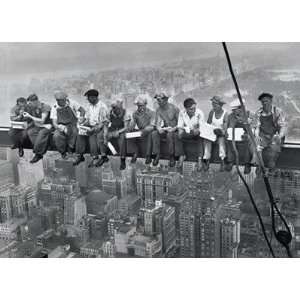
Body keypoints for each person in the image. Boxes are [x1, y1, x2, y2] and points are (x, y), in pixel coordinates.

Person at [73, 89, 109, 167]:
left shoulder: (102, 107)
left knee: (93, 136)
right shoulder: (89, 106)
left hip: (101, 127)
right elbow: (88, 119)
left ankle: (99, 157)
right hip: (91, 126)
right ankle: (80, 155)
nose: (88, 100)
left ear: (94, 97)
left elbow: (104, 122)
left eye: (88, 98)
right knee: (80, 134)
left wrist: (94, 129)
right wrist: (82, 124)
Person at [253, 92, 287, 171]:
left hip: (275, 135)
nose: (265, 103)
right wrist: (257, 135)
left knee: (272, 151)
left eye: (266, 101)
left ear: (271, 101)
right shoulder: (258, 112)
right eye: (263, 102)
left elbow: (283, 126)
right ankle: (259, 167)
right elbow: (257, 127)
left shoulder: (277, 111)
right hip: (263, 135)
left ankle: (271, 168)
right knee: (257, 148)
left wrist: (279, 136)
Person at [98, 97, 131, 170]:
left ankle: (122, 159)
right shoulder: (110, 112)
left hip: (122, 129)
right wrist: (105, 135)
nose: (114, 109)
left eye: (116, 108)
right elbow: (106, 125)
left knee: (122, 139)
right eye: (113, 108)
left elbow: (126, 127)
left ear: (120, 107)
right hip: (113, 128)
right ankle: (103, 156)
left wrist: (118, 132)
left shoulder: (126, 113)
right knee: (100, 135)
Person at [50, 91, 85, 159]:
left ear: (66, 99)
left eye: (64, 100)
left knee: (74, 132)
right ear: (57, 101)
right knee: (56, 136)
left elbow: (82, 110)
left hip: (72, 123)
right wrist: (59, 127)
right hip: (61, 125)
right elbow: (54, 122)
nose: (63, 102)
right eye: (60, 101)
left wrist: (81, 118)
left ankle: (70, 148)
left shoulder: (72, 103)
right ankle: (62, 152)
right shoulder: (54, 107)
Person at [224, 98, 253, 174]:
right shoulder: (230, 116)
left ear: (241, 108)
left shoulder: (249, 114)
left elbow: (253, 129)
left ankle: (247, 163)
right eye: (233, 110)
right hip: (234, 137)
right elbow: (227, 127)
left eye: (235, 110)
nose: (233, 112)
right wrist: (226, 132)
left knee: (248, 142)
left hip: (245, 136)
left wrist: (247, 134)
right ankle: (230, 161)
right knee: (229, 141)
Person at [176, 97, 204, 170]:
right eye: (191, 109)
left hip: (197, 133)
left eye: (194, 108)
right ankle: (182, 155)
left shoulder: (199, 113)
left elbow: (202, 127)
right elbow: (180, 126)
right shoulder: (182, 113)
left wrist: (197, 130)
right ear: (186, 108)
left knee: (200, 137)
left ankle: (200, 159)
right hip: (188, 132)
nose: (193, 110)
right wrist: (180, 132)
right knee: (178, 135)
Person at [152, 93, 179, 167]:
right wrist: (159, 128)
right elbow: (157, 123)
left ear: (166, 100)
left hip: (174, 130)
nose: (158, 102)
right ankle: (157, 154)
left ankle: (171, 156)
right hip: (165, 128)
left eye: (159, 100)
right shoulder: (158, 110)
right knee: (154, 133)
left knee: (169, 135)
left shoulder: (174, 108)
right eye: (157, 100)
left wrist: (173, 129)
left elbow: (180, 123)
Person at [23, 94, 52, 163]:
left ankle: (38, 154)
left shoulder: (45, 107)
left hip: (48, 126)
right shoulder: (33, 107)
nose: (29, 105)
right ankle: (41, 148)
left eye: (30, 103)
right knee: (30, 132)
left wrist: (30, 116)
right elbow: (34, 120)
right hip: (39, 126)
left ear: (35, 101)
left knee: (42, 133)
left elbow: (42, 120)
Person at [202, 96, 228, 172]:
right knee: (207, 140)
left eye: (215, 105)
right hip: (212, 133)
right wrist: (208, 130)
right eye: (213, 104)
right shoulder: (212, 112)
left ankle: (222, 160)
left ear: (220, 105)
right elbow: (208, 123)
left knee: (221, 141)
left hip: (221, 134)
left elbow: (225, 128)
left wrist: (220, 131)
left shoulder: (225, 114)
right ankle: (207, 160)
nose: (213, 106)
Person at [128, 95, 156, 164]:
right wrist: (131, 124)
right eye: (138, 106)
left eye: (141, 105)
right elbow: (132, 125)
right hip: (140, 131)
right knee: (129, 135)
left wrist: (144, 131)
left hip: (149, 130)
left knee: (150, 134)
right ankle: (135, 152)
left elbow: (152, 125)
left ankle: (148, 156)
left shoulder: (152, 113)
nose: (139, 107)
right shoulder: (135, 113)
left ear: (145, 105)